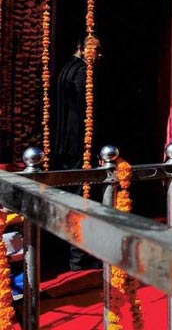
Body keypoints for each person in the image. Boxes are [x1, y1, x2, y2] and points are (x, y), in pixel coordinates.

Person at [51, 36, 102, 271]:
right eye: (94, 50)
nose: (98, 55)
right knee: (83, 196)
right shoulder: (81, 71)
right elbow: (87, 105)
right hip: (78, 143)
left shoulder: (64, 69)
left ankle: (66, 254)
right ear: (81, 48)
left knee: (69, 195)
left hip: (62, 144)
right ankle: (78, 258)